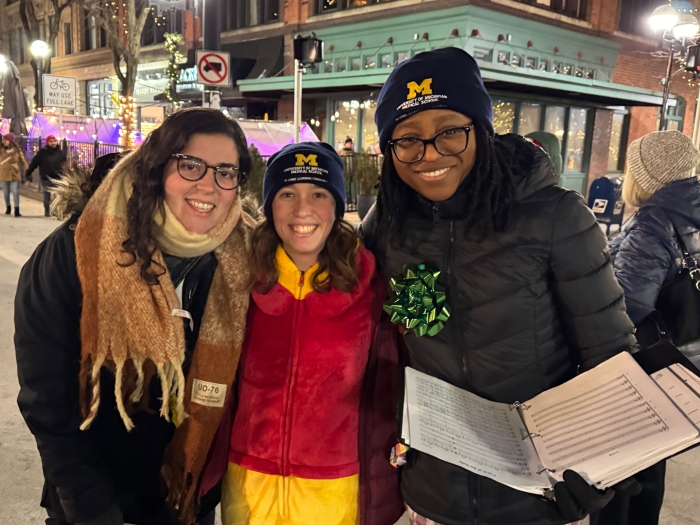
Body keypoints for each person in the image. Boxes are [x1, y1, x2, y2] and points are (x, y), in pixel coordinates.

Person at [361, 47, 639, 525]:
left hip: (533, 496)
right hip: (432, 497)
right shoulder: (386, 228)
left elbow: (611, 361)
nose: (429, 154)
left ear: (482, 130)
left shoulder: (555, 217)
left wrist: (605, 468)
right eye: (407, 139)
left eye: (450, 131)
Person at [15, 108, 256, 525]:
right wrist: (92, 511)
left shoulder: (242, 257)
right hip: (96, 501)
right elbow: (47, 403)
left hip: (185, 499)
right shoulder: (75, 251)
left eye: (225, 172)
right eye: (191, 165)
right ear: (158, 167)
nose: (209, 185)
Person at [221, 142, 403, 525]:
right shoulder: (239, 281)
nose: (302, 209)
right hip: (249, 484)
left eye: (318, 194)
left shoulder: (372, 287)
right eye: (287, 194)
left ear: (337, 207)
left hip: (334, 489)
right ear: (270, 206)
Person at [602, 130, 700, 525]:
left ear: (644, 176)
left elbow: (627, 305)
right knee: (653, 461)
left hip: (653, 363)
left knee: (622, 470)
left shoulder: (654, 222)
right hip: (689, 358)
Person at [25, 135, 67, 216]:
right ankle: (47, 211)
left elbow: (65, 165)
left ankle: (55, 211)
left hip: (58, 178)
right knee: (46, 196)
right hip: (46, 178)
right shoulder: (42, 153)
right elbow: (34, 163)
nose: (53, 143)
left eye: (54, 141)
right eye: (51, 141)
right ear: (48, 142)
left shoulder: (60, 153)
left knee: (57, 197)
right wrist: (28, 173)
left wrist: (65, 174)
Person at [0, 132, 28, 217]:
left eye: (6, 140)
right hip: (3, 173)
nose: (4, 141)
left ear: (11, 141)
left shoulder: (17, 150)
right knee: (6, 193)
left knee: (15, 191)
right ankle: (8, 207)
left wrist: (27, 170)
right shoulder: (1, 149)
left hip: (14, 173)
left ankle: (17, 210)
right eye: (3, 139)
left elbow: (23, 161)